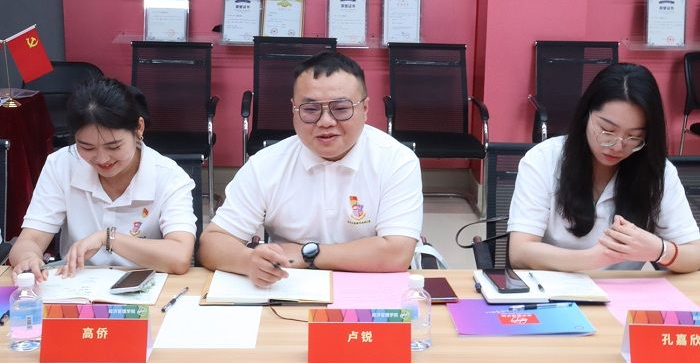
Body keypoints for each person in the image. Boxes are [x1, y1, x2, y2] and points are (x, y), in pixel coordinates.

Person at [198, 52, 423, 287]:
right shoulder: (266, 164)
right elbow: (212, 243)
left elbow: (397, 253)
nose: (326, 121)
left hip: (371, 286)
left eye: (341, 108)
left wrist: (306, 253)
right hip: (288, 286)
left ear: (365, 108)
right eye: (311, 109)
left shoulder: (396, 160)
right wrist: (248, 261)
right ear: (294, 110)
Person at [508, 62, 700, 273]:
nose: (617, 146)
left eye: (634, 137)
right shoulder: (544, 160)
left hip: (621, 292)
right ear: (587, 115)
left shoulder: (657, 172)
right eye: (607, 130)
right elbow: (519, 252)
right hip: (552, 288)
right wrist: (596, 258)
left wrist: (660, 250)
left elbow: (695, 253)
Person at [9, 77, 197, 282]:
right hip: (75, 288)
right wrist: (28, 258)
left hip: (146, 286)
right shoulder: (62, 164)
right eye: (87, 147)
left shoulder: (169, 177)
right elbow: (30, 240)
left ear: (139, 129)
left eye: (114, 146)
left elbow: (179, 257)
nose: (102, 159)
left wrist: (107, 238)